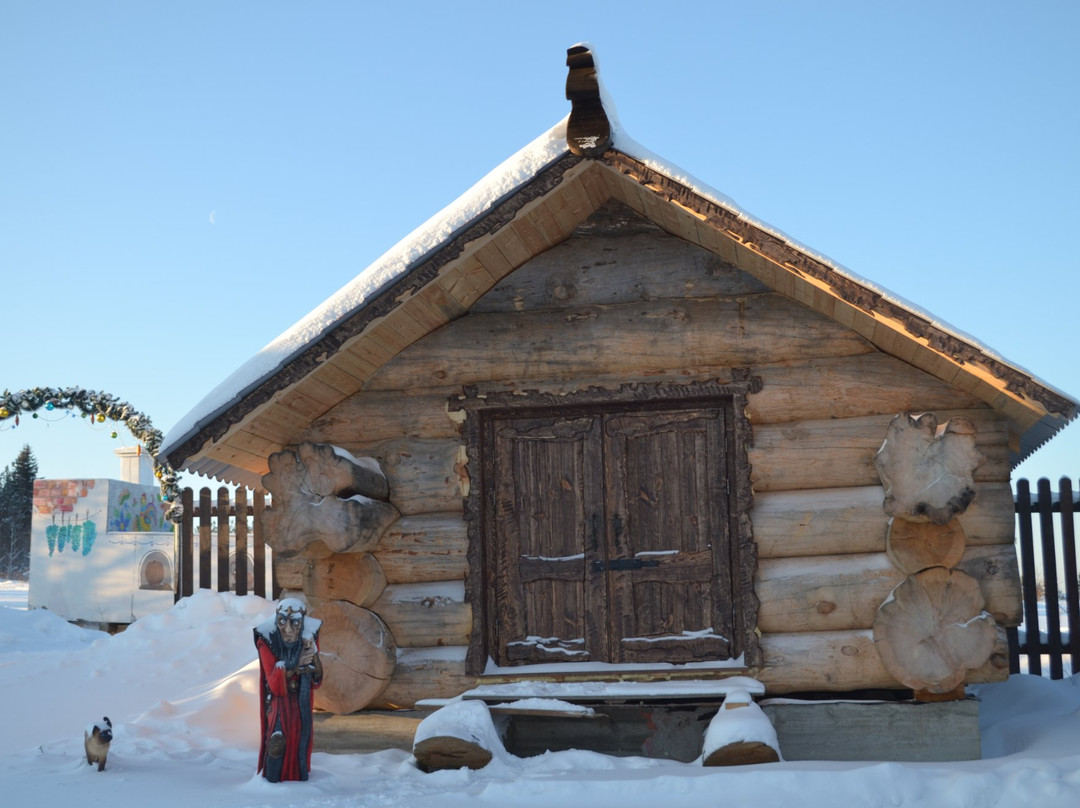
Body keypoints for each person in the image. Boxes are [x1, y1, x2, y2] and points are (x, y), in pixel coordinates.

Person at [254, 598, 322, 781]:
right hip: (279, 705)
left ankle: (297, 779)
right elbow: (274, 682)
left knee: (300, 742)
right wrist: (296, 664)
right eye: (283, 622)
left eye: (295, 623)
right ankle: (272, 782)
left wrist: (313, 656)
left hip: (301, 704)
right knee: (277, 744)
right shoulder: (266, 640)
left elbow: (317, 679)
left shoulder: (310, 636)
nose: (289, 630)